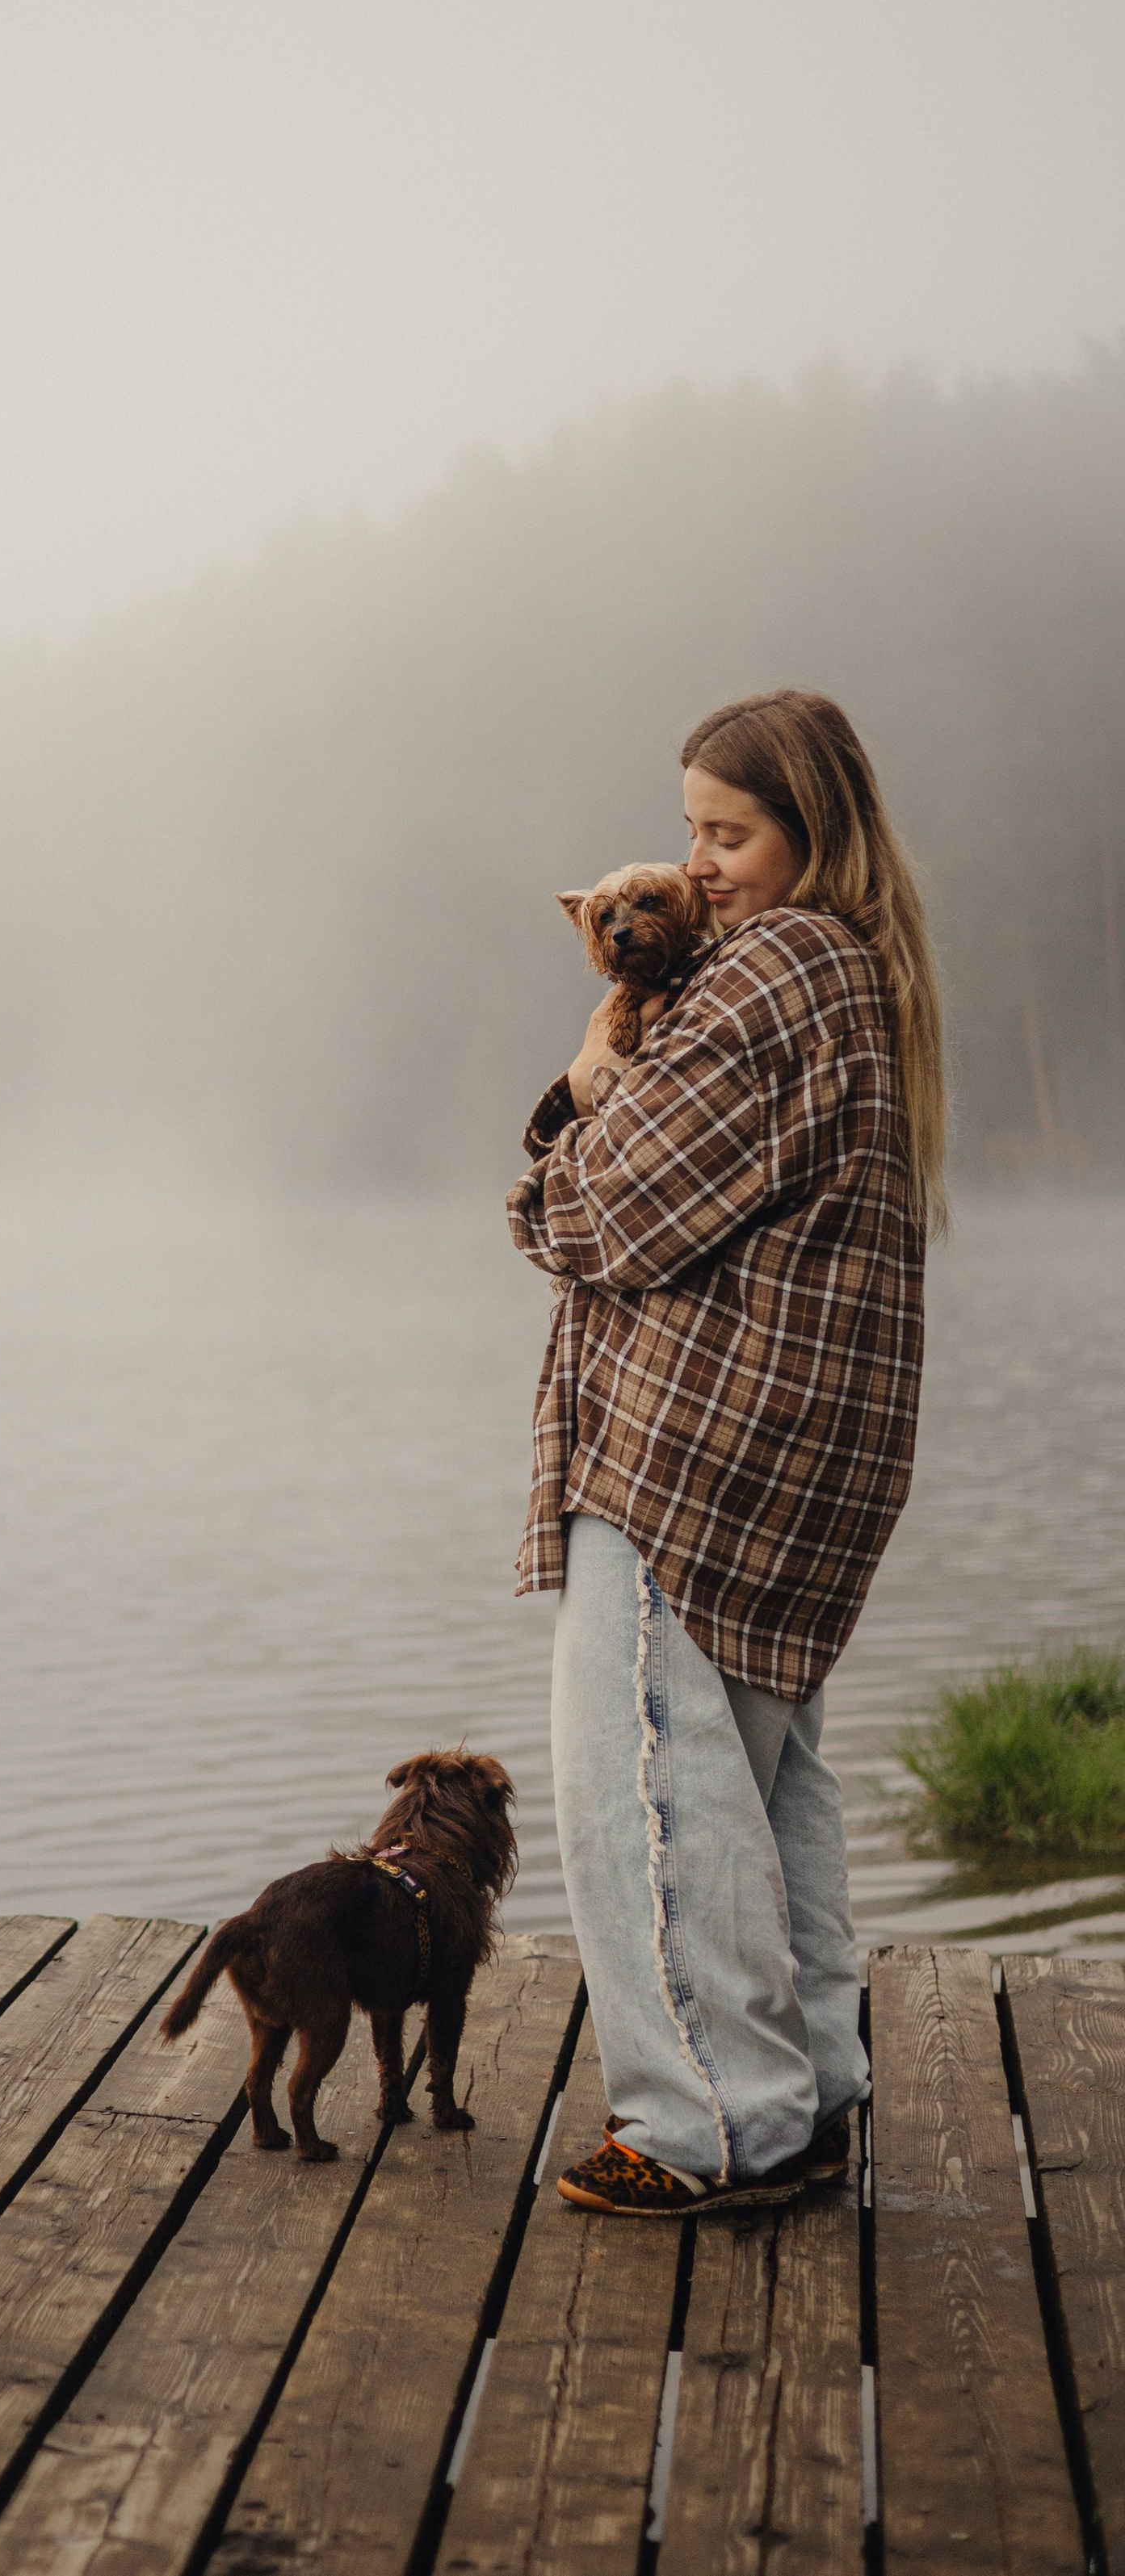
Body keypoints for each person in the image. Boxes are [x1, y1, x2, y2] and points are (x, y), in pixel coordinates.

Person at [507, 687, 945, 2215]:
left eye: (731, 832)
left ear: (812, 830)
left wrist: (567, 1113)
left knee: (642, 1785)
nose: (698, 864)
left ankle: (707, 2123)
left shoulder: (771, 972)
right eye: (689, 830)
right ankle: (804, 2097)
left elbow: (604, 1211)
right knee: (763, 1796)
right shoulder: (858, 971)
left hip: (698, 1450)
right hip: (807, 1456)